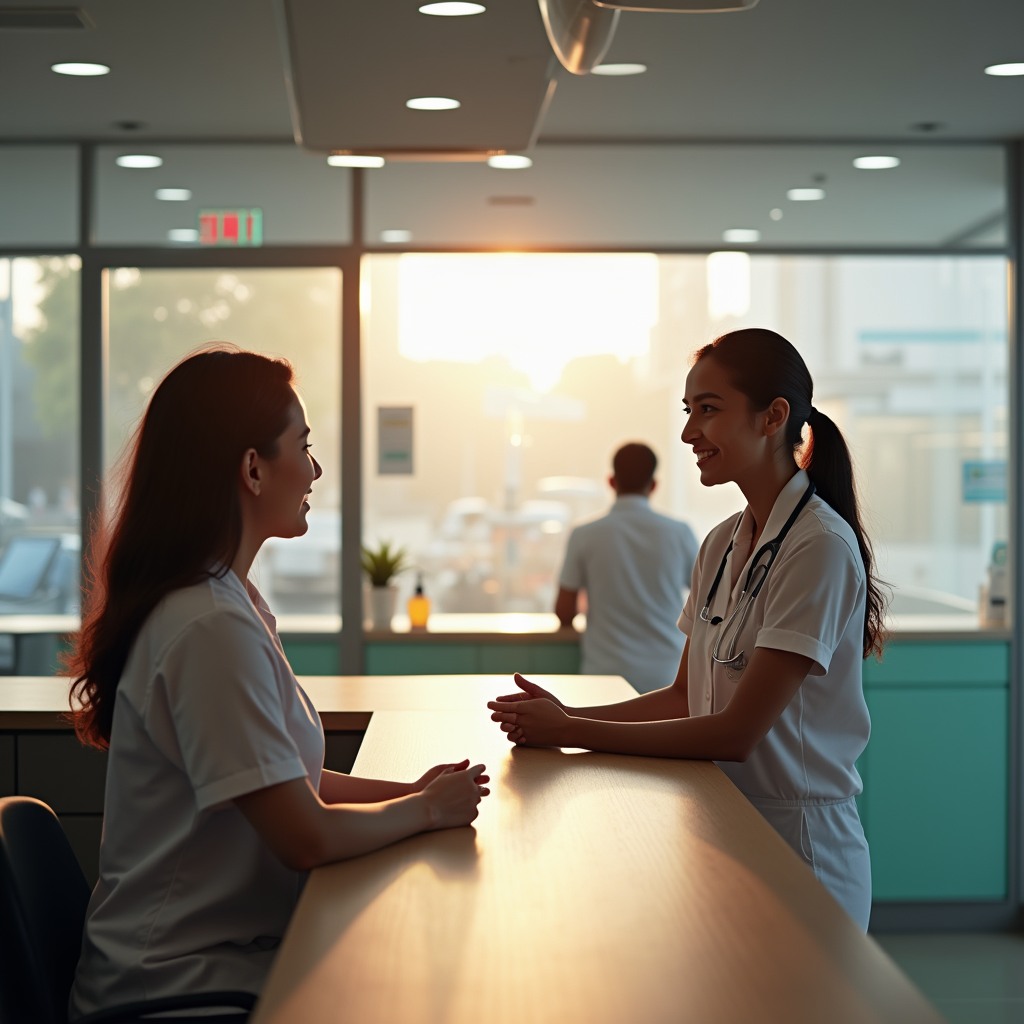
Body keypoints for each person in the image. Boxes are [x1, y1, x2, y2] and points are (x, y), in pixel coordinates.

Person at [67, 346, 489, 1019]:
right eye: (305, 445)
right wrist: (429, 811)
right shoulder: (207, 626)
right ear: (254, 468)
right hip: (177, 991)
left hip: (226, 963)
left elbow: (287, 784)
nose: (316, 469)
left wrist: (409, 794)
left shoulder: (227, 601)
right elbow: (305, 837)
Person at [489, 328, 886, 931]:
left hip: (799, 848)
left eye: (708, 410)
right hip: (722, 826)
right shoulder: (721, 543)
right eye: (687, 411)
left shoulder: (819, 548)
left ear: (772, 417)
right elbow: (683, 697)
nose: (687, 433)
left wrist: (573, 731)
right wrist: (567, 716)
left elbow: (735, 733)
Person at [554, 442, 699, 693]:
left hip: (604, 676)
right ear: (654, 485)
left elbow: (564, 612)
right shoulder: (679, 533)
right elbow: (707, 596)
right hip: (667, 676)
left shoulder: (584, 535)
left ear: (611, 481)